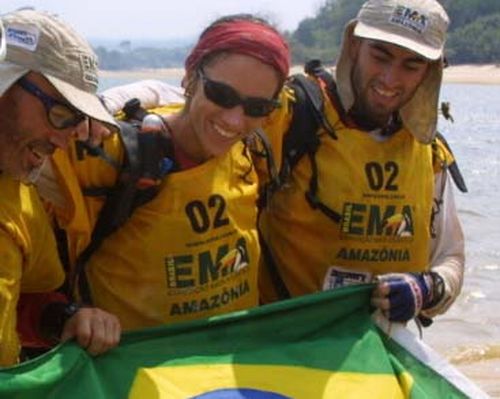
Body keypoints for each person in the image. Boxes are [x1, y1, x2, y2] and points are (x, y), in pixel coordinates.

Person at [41, 14, 290, 331]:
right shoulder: (108, 149)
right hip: (134, 372)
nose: (235, 121)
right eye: (221, 95)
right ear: (190, 77)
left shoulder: (253, 149)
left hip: (232, 367)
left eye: (257, 108)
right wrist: (89, 107)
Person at [258, 0, 464, 324]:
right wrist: (149, 104)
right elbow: (205, 110)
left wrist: (426, 288)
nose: (390, 79)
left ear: (430, 71)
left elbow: (450, 259)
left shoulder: (430, 153)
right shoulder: (292, 116)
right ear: (354, 45)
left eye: (411, 66)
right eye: (380, 56)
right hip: (287, 346)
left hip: (377, 352)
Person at [0, 9, 121, 366]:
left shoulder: (18, 194)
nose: (64, 139)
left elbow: (30, 296)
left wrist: (67, 319)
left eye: (77, 121)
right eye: (61, 113)